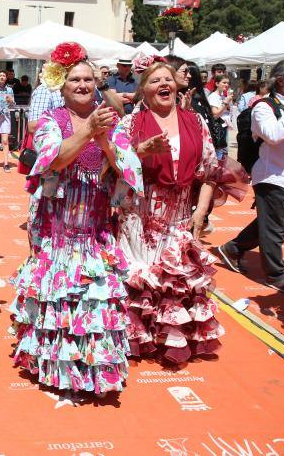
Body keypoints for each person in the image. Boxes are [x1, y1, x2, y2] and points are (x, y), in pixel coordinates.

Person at [10, 43, 137, 396]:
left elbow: (125, 166)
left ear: (96, 84)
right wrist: (88, 131)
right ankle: (55, 368)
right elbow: (53, 161)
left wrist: (107, 140)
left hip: (95, 224)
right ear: (62, 87)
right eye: (74, 80)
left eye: (87, 79)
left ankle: (92, 368)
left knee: (95, 298)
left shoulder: (111, 118)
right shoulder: (52, 121)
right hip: (59, 227)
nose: (82, 85)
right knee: (58, 292)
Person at [112, 61, 224, 364]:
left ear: (176, 86)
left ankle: (169, 340)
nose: (163, 84)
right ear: (143, 91)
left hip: (179, 213)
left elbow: (211, 172)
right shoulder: (129, 124)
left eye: (168, 79)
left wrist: (200, 213)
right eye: (154, 80)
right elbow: (114, 166)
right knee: (144, 277)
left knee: (174, 276)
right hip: (139, 214)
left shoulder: (196, 122)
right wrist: (139, 152)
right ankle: (136, 338)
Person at [217, 59, 284, 295]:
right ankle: (275, 274)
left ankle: (232, 248)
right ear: (281, 81)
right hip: (273, 177)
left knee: (268, 224)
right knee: (275, 230)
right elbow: (273, 135)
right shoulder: (264, 107)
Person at [207, 75, 233, 159]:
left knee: (222, 152)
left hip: (223, 127)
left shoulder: (222, 96)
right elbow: (215, 114)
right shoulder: (213, 97)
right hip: (217, 128)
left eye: (227, 83)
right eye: (224, 83)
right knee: (218, 153)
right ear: (217, 83)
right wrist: (226, 102)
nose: (226, 85)